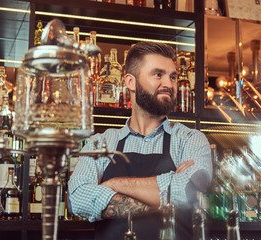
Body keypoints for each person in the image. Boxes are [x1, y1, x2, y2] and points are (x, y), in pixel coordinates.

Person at [68, 42, 212, 240]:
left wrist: (111, 184)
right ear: (130, 82)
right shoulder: (100, 143)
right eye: (157, 74)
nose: (169, 84)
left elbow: (187, 191)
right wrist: (165, 191)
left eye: (173, 77)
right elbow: (78, 198)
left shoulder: (190, 139)